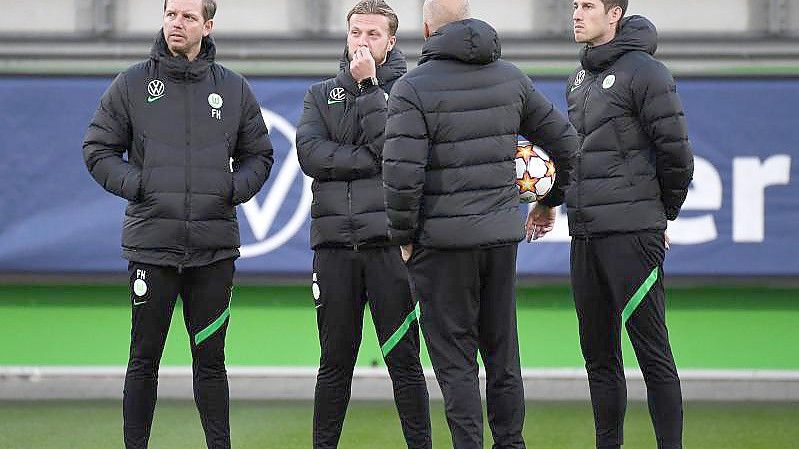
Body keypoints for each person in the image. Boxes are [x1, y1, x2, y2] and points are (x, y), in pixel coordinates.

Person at [382, 1, 578, 447]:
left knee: (456, 366)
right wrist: (550, 201)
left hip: (441, 245)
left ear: (427, 28)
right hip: (498, 240)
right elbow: (568, 145)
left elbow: (401, 173)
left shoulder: (412, 88)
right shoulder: (511, 78)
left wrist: (403, 237)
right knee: (503, 356)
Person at [82, 0, 274, 447]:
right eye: (171, 14)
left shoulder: (233, 89)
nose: (177, 23)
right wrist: (139, 183)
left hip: (213, 250)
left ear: (207, 26)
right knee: (143, 360)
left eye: (188, 17)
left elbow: (260, 155)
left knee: (210, 361)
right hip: (152, 247)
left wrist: (230, 189)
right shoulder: (132, 85)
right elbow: (97, 148)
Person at [295, 1, 432, 448]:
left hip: (392, 248)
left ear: (391, 42)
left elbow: (394, 152)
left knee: (405, 362)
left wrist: (370, 87)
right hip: (334, 248)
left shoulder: (410, 92)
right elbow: (310, 156)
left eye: (374, 35)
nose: (363, 42)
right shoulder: (320, 95)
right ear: (346, 35)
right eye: (357, 32)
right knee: (334, 363)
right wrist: (369, 160)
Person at [566, 1, 695, 448]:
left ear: (614, 14)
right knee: (599, 358)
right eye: (574, 5)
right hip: (584, 233)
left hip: (632, 234)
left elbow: (677, 153)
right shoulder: (579, 79)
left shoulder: (647, 72)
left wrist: (662, 214)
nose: (576, 13)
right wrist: (551, 199)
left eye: (587, 6)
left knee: (652, 353)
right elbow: (578, 158)